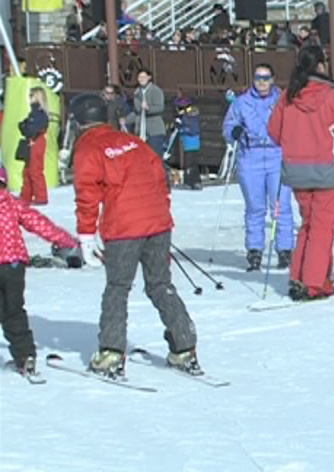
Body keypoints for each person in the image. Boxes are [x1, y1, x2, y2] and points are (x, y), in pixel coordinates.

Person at [69, 93, 202, 378]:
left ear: (79, 121)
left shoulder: (87, 148)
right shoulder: (133, 142)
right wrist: (161, 215)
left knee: (117, 288)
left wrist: (86, 234)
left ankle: (111, 352)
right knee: (160, 284)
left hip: (124, 228)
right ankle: (184, 346)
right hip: (157, 222)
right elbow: (159, 177)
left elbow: (87, 195)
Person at [267, 46, 334, 300]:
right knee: (323, 228)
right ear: (322, 66)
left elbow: (273, 130)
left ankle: (301, 276)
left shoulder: (288, 95)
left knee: (308, 225)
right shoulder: (329, 94)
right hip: (329, 168)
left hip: (297, 168)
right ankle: (314, 282)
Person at [0, 165, 79, 378]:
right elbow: (40, 224)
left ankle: (24, 356)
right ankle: (25, 356)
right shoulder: (13, 204)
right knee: (14, 312)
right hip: (14, 267)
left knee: (9, 313)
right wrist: (66, 241)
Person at [224, 64, 296, 272]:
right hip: (251, 156)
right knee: (255, 207)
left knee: (280, 205)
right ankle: (255, 249)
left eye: (266, 78)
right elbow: (229, 125)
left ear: (273, 79)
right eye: (258, 78)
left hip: (276, 154)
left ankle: (284, 249)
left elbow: (293, 122)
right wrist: (234, 131)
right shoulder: (242, 102)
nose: (262, 82)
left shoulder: (282, 100)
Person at [18, 87, 50, 205]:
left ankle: (41, 196)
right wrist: (24, 126)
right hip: (32, 140)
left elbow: (30, 128)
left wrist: (24, 126)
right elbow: (24, 126)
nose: (29, 97)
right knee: (27, 170)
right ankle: (25, 196)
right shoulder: (34, 112)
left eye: (32, 95)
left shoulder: (39, 113)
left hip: (36, 141)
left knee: (35, 170)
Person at [130, 69, 166, 157]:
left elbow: (160, 107)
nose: (141, 79)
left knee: (155, 155)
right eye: (139, 77)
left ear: (149, 77)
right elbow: (137, 109)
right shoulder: (137, 92)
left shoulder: (156, 91)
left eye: (143, 77)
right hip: (140, 129)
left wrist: (148, 108)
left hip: (154, 130)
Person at [172, 91, 202, 190]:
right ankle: (195, 181)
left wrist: (181, 126)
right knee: (191, 162)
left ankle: (190, 182)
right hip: (188, 143)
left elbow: (191, 129)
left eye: (180, 108)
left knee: (190, 163)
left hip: (191, 143)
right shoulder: (187, 117)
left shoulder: (190, 116)